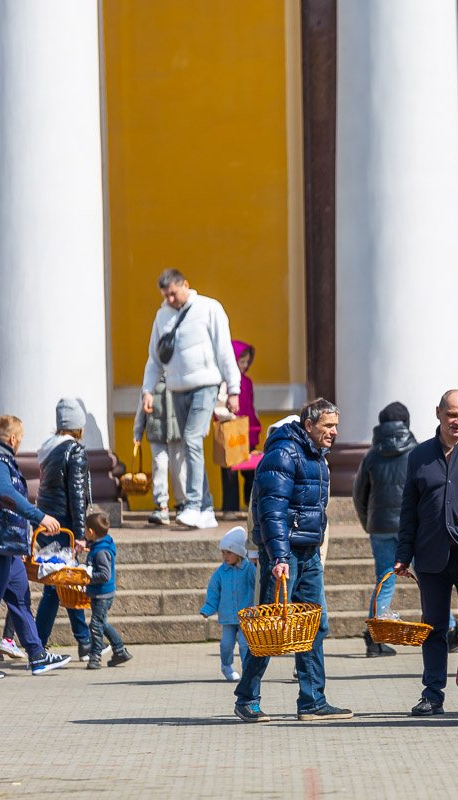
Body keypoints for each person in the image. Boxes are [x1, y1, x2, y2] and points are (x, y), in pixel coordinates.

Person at [234, 398, 352, 722]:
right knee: (270, 628)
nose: (334, 432)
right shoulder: (284, 453)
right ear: (309, 425)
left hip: (308, 552)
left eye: (336, 426)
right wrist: (279, 556)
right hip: (285, 556)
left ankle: (312, 701)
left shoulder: (317, 456)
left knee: (315, 625)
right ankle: (247, 698)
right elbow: (271, 509)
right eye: (328, 425)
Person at [394, 389, 458, 717]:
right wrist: (403, 554)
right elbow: (409, 510)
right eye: (452, 415)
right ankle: (432, 695)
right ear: (438, 413)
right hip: (431, 556)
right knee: (433, 628)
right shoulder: (419, 456)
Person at [0, 414, 70, 677]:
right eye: (20, 439)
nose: (20, 443)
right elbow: (6, 494)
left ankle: (37, 655)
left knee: (21, 598)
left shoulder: (0, 460)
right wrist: (39, 517)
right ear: (12, 439)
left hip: (6, 545)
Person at [140, 268, 242, 530]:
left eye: (173, 294)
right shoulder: (162, 316)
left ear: (185, 284)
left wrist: (234, 389)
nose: (170, 300)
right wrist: (148, 390)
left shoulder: (209, 308)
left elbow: (224, 349)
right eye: (166, 296)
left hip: (206, 385)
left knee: (192, 439)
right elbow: (154, 358)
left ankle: (194, 504)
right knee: (189, 445)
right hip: (176, 387)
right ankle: (206, 507)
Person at [352, 401, 417, 658]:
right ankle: (447, 630)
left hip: (379, 526)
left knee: (385, 580)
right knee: (427, 577)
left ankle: (375, 639)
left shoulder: (371, 455)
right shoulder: (417, 452)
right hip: (411, 526)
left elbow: (359, 494)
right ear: (406, 423)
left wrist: (368, 522)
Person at [34, 398, 96, 661]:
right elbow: (77, 495)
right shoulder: (74, 451)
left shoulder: (49, 450)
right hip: (65, 527)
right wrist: (80, 534)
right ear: (78, 425)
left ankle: (84, 641)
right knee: (57, 585)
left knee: (64, 582)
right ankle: (37, 645)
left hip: (48, 524)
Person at [199, 527, 255, 681]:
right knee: (226, 644)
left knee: (245, 644)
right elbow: (214, 592)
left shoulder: (249, 569)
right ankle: (226, 665)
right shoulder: (220, 572)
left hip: (246, 616)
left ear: (239, 553)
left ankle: (247, 670)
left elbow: (258, 584)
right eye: (223, 552)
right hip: (228, 617)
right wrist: (208, 608)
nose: (225, 556)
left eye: (229, 552)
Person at [83, 511, 134, 670]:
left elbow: (105, 575)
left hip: (102, 594)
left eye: (85, 529)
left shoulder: (101, 551)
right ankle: (120, 651)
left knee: (95, 625)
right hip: (101, 593)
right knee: (102, 623)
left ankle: (95, 656)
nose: (84, 532)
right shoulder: (99, 545)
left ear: (91, 532)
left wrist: (88, 576)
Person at [133, 374, 186, 526]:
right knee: (159, 466)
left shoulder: (180, 379)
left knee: (179, 470)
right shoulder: (149, 385)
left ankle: (182, 504)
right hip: (156, 432)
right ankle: (161, 506)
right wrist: (137, 433)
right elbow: (141, 410)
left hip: (177, 433)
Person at [219, 340, 261, 519]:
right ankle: (230, 508)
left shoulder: (248, 382)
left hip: (249, 432)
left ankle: (252, 505)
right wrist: (229, 419)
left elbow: (251, 406)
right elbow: (219, 406)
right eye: (241, 361)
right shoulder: (225, 383)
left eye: (247, 362)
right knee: (230, 472)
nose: (244, 365)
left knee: (251, 471)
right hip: (231, 432)